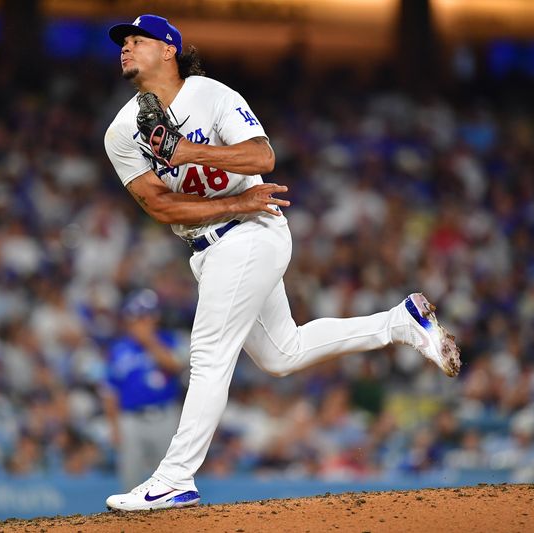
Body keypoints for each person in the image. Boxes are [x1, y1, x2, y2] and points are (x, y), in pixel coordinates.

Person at [102, 14, 461, 511]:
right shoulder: (121, 132)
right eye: (123, 42)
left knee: (207, 354)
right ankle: (399, 323)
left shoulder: (211, 94)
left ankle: (175, 478)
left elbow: (261, 156)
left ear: (168, 50)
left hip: (252, 234)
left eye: (137, 40)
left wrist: (188, 151)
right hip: (217, 236)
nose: (125, 47)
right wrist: (231, 202)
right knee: (281, 354)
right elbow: (160, 205)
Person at [102, 289, 186, 490]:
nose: (142, 323)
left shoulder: (169, 340)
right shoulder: (118, 349)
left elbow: (175, 365)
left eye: (146, 317)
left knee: (170, 480)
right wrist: (114, 427)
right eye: (138, 318)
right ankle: (130, 522)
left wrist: (149, 341)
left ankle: (173, 521)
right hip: (130, 420)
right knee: (130, 480)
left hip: (165, 416)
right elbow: (109, 392)